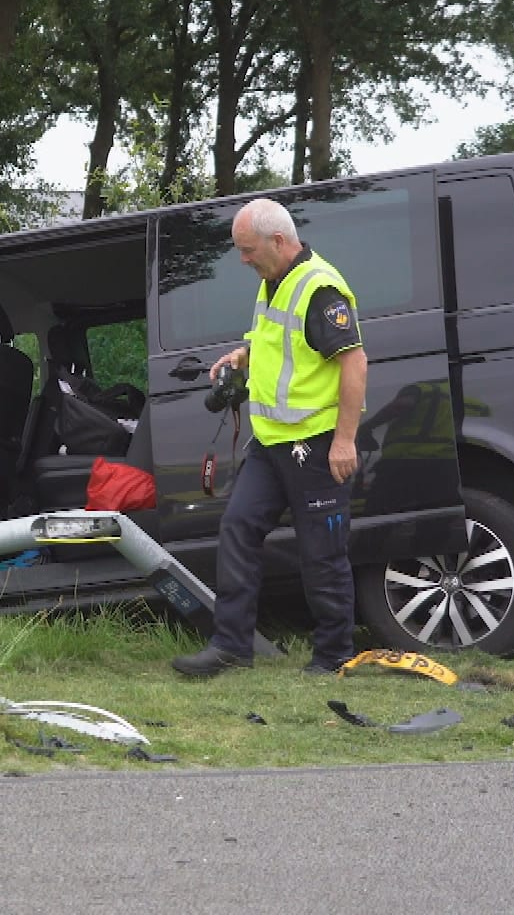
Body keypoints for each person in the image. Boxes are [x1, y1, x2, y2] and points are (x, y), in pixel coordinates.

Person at [171, 197, 368, 678]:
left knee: (322, 553)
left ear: (278, 241)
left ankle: (334, 654)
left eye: (247, 250)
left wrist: (345, 440)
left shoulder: (320, 287)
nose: (243, 260)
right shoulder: (273, 282)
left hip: (316, 444)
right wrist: (244, 353)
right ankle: (231, 646)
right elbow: (280, 339)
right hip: (271, 443)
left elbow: (354, 362)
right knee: (238, 528)